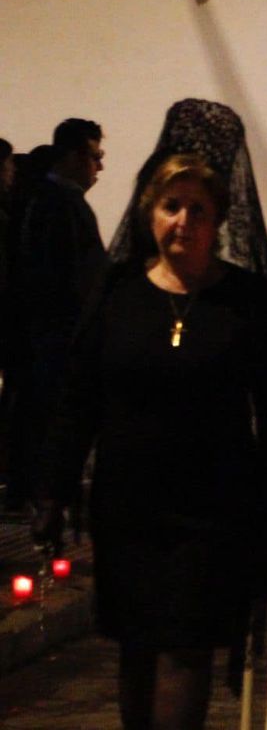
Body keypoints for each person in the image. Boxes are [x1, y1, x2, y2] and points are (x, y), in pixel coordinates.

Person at [35, 100, 267, 730]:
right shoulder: (118, 295)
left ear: (220, 218)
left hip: (213, 506)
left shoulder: (243, 300)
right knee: (138, 651)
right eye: (172, 206)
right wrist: (53, 488)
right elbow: (77, 396)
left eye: (199, 209)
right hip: (130, 503)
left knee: (187, 648)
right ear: (152, 212)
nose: (185, 221)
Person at [13, 117, 108, 513]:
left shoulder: (49, 201)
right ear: (73, 156)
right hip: (58, 339)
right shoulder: (60, 205)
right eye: (95, 156)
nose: (100, 167)